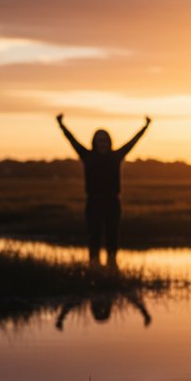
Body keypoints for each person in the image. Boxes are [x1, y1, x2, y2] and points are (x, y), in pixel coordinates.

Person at [57, 113, 151, 268]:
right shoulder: (87, 156)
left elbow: (133, 141)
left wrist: (145, 126)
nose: (102, 143)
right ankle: (94, 269)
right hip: (93, 203)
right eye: (99, 140)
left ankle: (112, 269)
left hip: (113, 203)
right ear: (95, 142)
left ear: (109, 142)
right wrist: (61, 124)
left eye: (105, 140)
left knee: (112, 239)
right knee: (94, 238)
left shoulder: (116, 156)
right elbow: (71, 139)